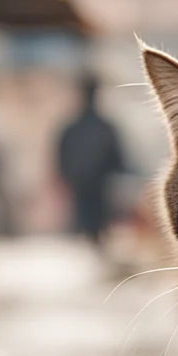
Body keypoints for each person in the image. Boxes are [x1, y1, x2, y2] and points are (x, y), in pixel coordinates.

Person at [55, 74, 125, 245]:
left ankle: (93, 241)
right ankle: (91, 242)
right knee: (89, 217)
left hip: (96, 181)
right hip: (86, 181)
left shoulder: (94, 127)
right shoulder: (98, 127)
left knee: (94, 217)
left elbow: (116, 154)